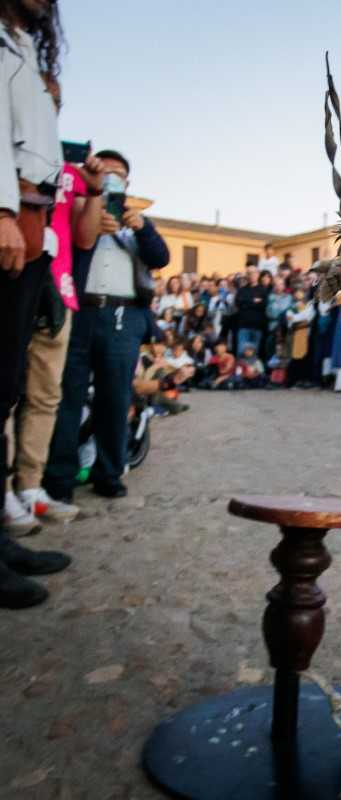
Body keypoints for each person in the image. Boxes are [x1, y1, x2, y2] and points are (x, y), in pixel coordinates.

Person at [0, 0, 74, 609]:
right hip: (10, 208)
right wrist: (2, 209)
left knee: (5, 389)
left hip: (32, 214)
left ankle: (1, 541)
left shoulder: (24, 47)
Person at [44, 149, 170, 503]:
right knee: (68, 397)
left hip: (123, 317)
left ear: (128, 182)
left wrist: (141, 228)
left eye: (119, 173)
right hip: (80, 309)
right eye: (106, 170)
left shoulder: (139, 222)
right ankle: (59, 478)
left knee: (115, 399)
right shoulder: (79, 209)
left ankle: (109, 472)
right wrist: (92, 219)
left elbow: (161, 258)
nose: (112, 177)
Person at [12, 147, 103, 527]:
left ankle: (30, 488)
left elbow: (84, 239)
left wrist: (95, 192)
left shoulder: (70, 173)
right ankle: (5, 493)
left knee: (46, 395)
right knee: (7, 392)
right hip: (14, 279)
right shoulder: (10, 158)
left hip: (60, 289)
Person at [233, 264, 269, 355]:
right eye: (249, 273)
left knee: (254, 354)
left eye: (253, 273)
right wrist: (253, 301)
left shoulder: (263, 290)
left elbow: (263, 305)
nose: (251, 275)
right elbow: (238, 303)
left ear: (258, 274)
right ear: (246, 275)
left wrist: (247, 302)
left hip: (257, 326)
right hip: (243, 326)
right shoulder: (242, 290)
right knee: (241, 353)